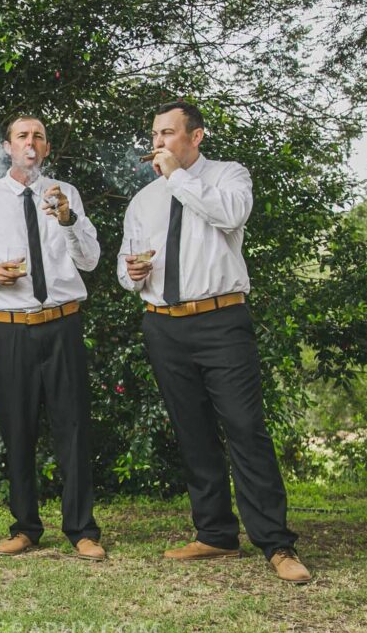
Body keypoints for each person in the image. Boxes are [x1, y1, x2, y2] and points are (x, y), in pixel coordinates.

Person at [117, 101, 311, 583]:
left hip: (222, 321)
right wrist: (132, 273)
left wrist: (176, 177)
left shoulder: (228, 176)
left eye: (167, 133)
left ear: (196, 136)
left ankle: (276, 543)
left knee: (245, 427)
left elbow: (230, 215)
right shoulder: (144, 199)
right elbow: (126, 263)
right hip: (164, 324)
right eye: (155, 134)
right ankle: (216, 534)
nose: (158, 142)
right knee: (193, 431)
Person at [0, 116, 105, 562]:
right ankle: (25, 526)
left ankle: (82, 529)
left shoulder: (65, 193)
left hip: (62, 324)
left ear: (47, 148)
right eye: (22, 136)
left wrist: (68, 219)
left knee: (73, 427)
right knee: (16, 426)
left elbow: (91, 260)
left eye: (38, 136)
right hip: (11, 326)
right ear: (8, 147)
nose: (30, 142)